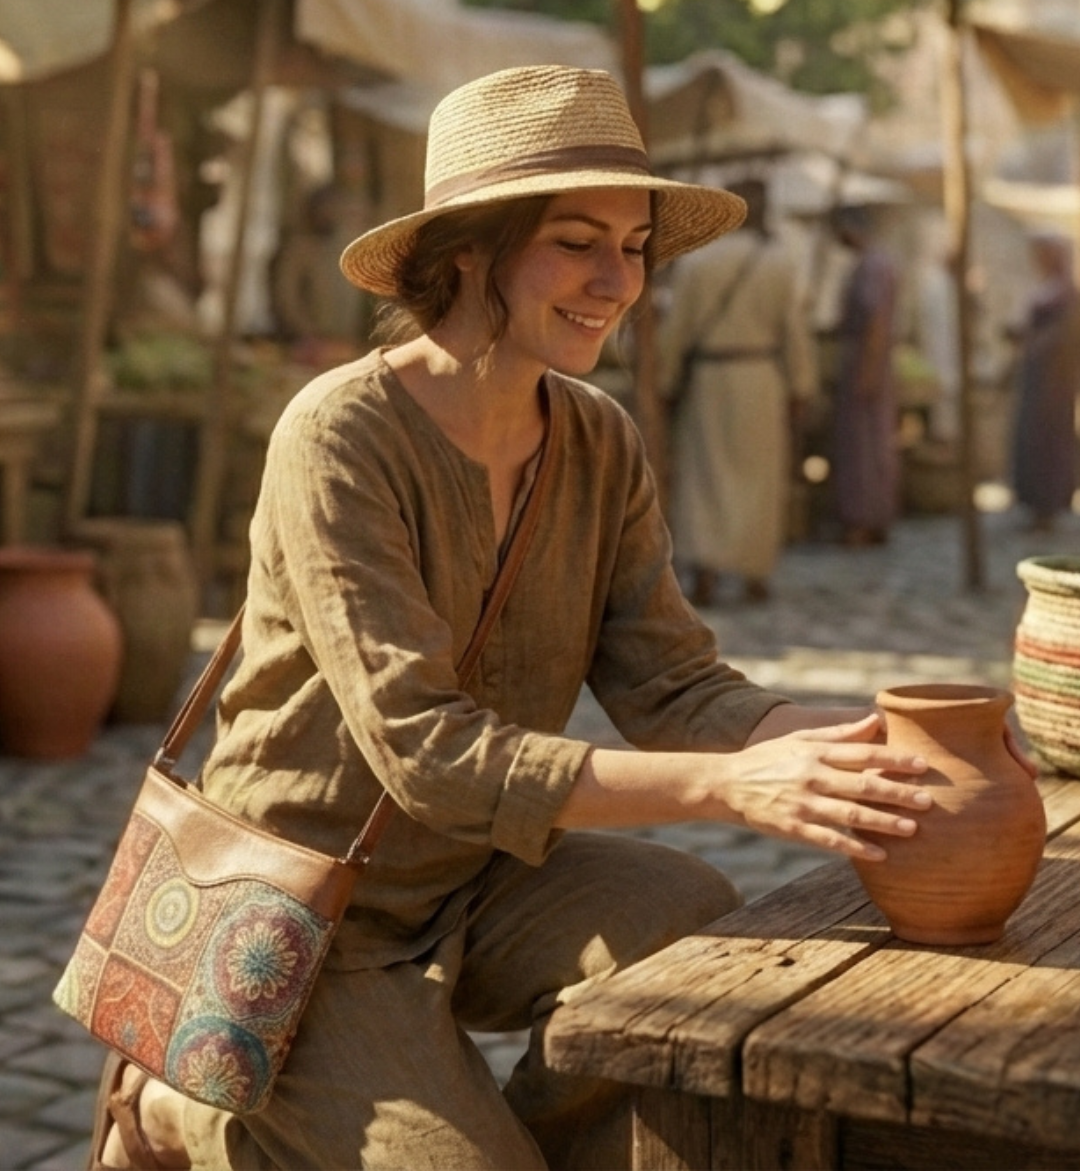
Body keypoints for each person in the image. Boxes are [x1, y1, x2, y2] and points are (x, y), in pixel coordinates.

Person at [93, 66, 939, 1171]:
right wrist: (729, 786)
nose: (616, 282)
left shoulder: (599, 438)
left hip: (482, 878)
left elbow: (672, 683)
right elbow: (426, 753)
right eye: (577, 242)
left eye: (634, 248)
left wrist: (846, 739)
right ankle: (189, 1107)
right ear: (466, 255)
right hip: (302, 919)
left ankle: (448, 1124)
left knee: (690, 924)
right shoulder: (338, 434)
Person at [657, 178, 817, 605]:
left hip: (712, 381)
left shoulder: (698, 262)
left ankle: (707, 570)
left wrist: (666, 382)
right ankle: (753, 573)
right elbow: (794, 334)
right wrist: (801, 386)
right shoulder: (778, 263)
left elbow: (677, 331)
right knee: (757, 477)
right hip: (760, 380)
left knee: (707, 474)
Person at [829, 204, 900, 546]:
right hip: (870, 363)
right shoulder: (874, 263)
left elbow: (875, 321)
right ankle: (873, 518)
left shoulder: (873, 266)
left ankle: (863, 520)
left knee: (863, 447)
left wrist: (867, 371)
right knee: (872, 444)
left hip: (866, 365)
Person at [1007, 230, 1080, 531]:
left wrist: (1036, 345)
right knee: (1031, 436)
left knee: (1050, 438)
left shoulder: (1066, 293)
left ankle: (1049, 503)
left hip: (1055, 378)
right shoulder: (1045, 289)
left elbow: (1065, 335)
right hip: (1036, 375)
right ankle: (1036, 502)